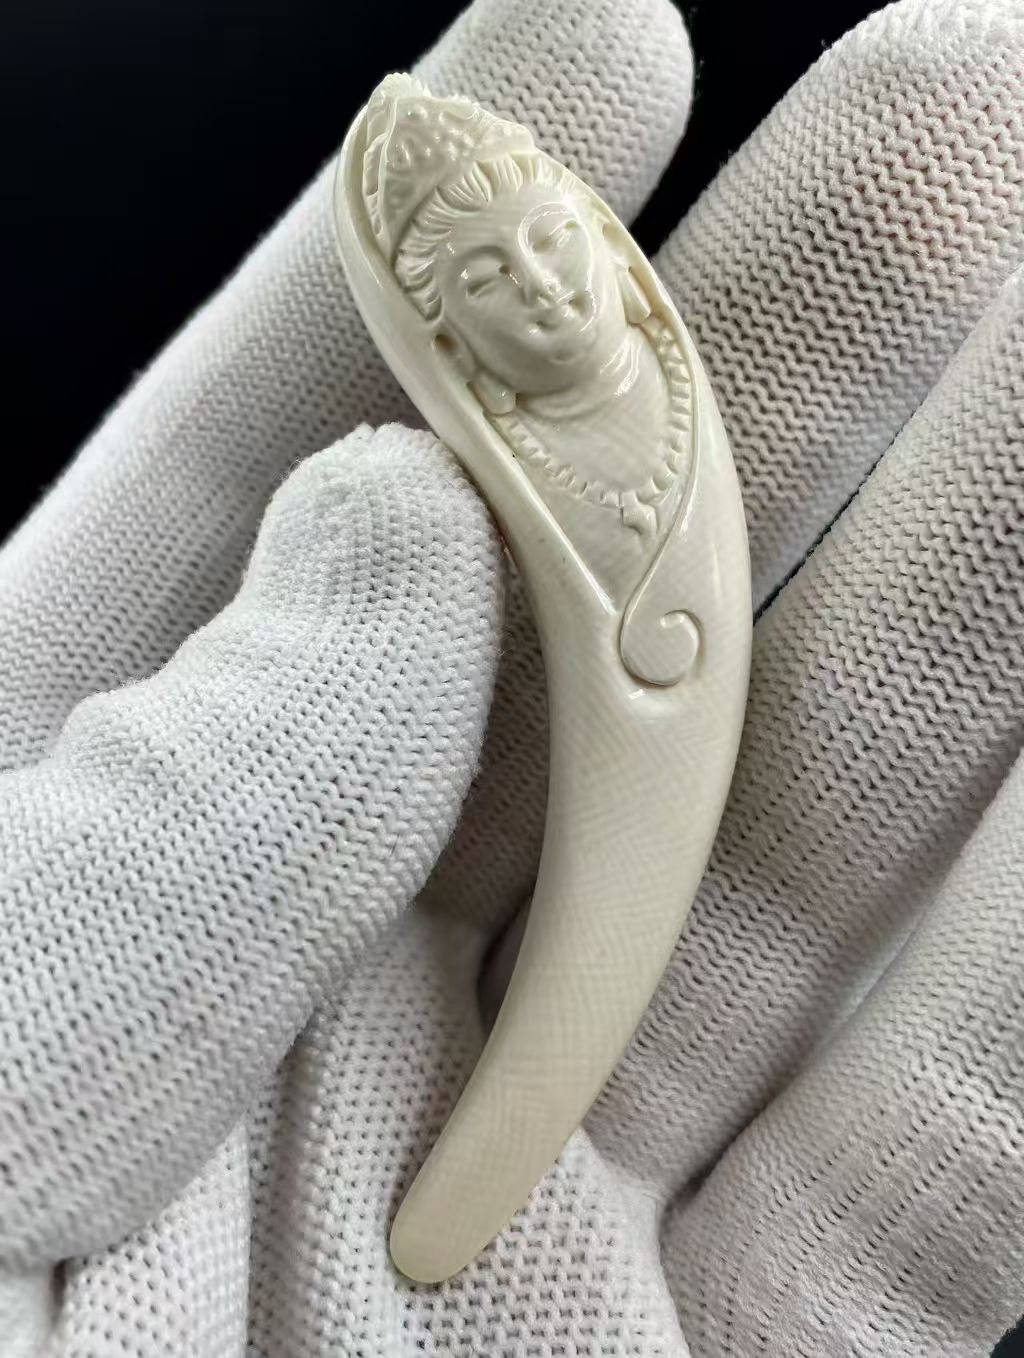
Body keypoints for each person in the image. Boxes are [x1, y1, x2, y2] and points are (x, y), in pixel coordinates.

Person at [0, 0, 1021, 1353]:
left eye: (549, 242)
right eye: (488, 281)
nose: (542, 286)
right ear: (444, 329)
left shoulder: (656, 422)